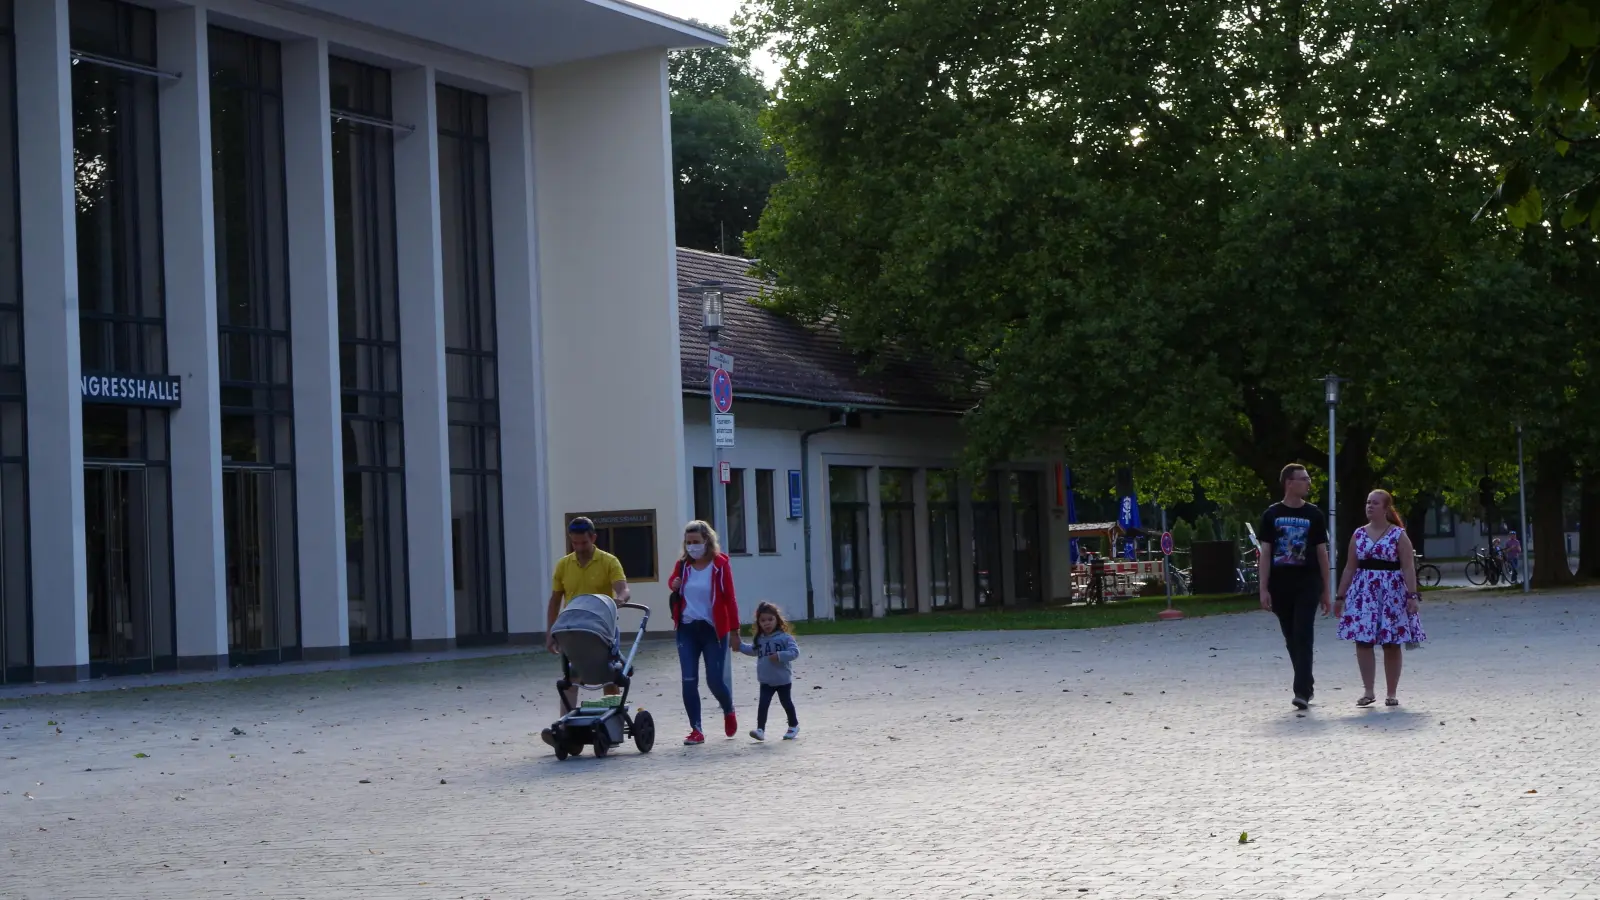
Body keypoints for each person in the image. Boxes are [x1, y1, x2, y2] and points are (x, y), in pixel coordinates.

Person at [541, 517, 630, 747]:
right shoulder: (564, 565)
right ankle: (564, 727)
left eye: (583, 543)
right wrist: (551, 631)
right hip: (574, 629)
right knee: (571, 676)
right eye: (574, 543)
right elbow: (555, 600)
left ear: (593, 538)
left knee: (608, 674)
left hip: (603, 628)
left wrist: (620, 599)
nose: (579, 548)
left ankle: (612, 728)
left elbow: (622, 588)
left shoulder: (608, 561)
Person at [1334, 490, 1425, 707]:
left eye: (1375, 503)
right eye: (1367, 502)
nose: (1369, 506)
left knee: (1391, 643)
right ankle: (1368, 691)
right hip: (1363, 594)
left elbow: (1408, 567)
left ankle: (1391, 693)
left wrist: (1412, 595)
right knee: (1363, 642)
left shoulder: (1398, 535)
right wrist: (1340, 596)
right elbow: (1349, 567)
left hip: (1391, 593)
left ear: (1386, 508)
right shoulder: (1358, 534)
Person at [1257, 463, 1331, 710]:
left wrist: (1326, 591)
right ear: (1289, 482)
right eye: (1304, 479)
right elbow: (1265, 553)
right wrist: (1263, 588)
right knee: (1291, 638)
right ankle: (1306, 681)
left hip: (1307, 583)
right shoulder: (1271, 515)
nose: (1309, 483)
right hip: (1280, 584)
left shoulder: (1314, 515)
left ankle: (1301, 691)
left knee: (1303, 633)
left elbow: (1322, 554)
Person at [666, 521, 741, 745]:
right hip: (687, 628)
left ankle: (728, 709)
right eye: (688, 543)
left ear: (707, 541)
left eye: (696, 542)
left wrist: (735, 632)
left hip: (713, 630)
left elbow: (730, 599)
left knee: (714, 680)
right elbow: (673, 582)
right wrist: (674, 583)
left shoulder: (720, 565)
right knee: (689, 680)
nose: (692, 547)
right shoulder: (683, 565)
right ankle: (696, 729)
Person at [735, 601, 801, 742]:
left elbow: (794, 652)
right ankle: (760, 730)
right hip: (765, 680)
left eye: (770, 619)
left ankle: (793, 725)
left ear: (777, 619)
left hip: (782, 680)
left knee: (786, 703)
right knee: (763, 705)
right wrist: (739, 646)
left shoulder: (785, 637)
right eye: (763, 620)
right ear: (759, 623)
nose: (767, 623)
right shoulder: (760, 639)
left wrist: (779, 656)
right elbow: (752, 650)